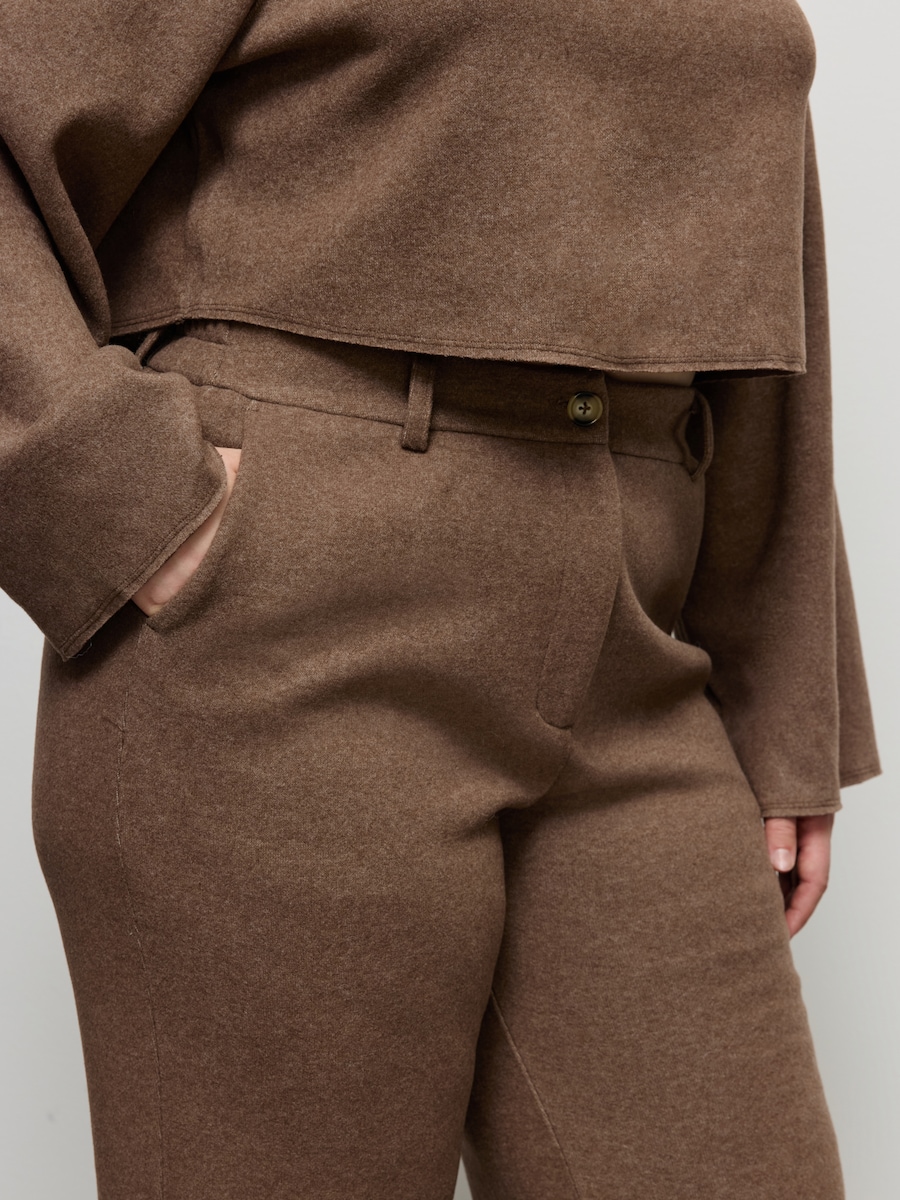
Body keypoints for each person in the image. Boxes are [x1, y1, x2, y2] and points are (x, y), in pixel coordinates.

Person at [0, 2, 882, 1198]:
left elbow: (751, 227)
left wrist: (786, 697)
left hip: (638, 654)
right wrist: (122, 502)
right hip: (285, 637)